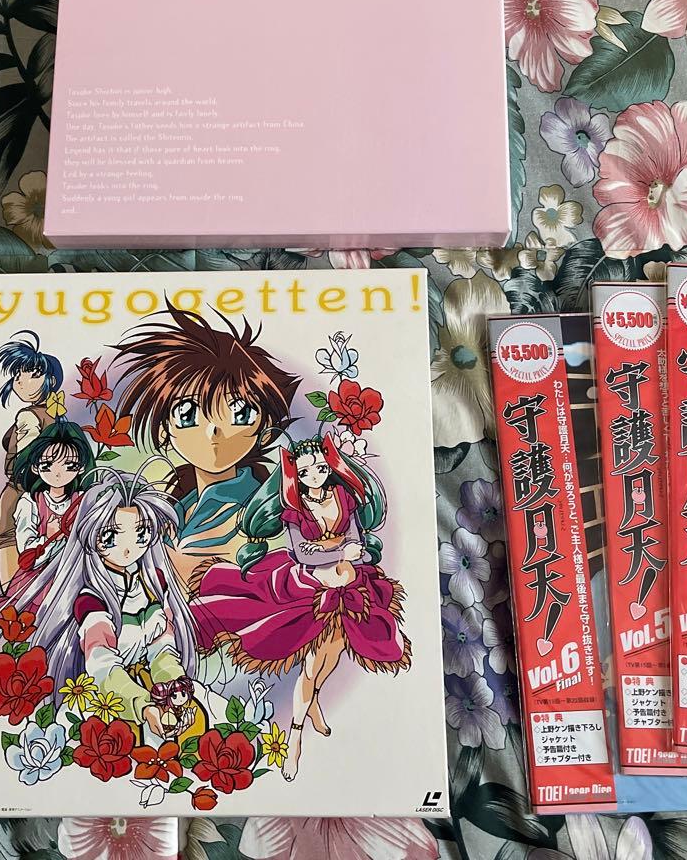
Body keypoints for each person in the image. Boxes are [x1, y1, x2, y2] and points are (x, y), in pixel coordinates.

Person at [191, 433, 410, 781]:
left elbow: (355, 539)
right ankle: (295, 736)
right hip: (311, 584)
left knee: (333, 653)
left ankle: (314, 705)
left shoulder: (343, 496)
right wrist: (338, 552)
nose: (314, 476)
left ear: (330, 466)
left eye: (320, 468)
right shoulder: (295, 511)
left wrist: (348, 553)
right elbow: (301, 553)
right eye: (305, 472)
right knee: (311, 664)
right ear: (296, 475)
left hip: (350, 580)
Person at [112, 306, 299, 589]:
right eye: (187, 413)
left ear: (265, 428)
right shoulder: (173, 505)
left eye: (239, 414)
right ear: (164, 429)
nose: (213, 429)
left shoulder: (264, 509)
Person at [29, 467, 205, 743]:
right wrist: (142, 707)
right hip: (109, 695)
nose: (128, 549)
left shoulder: (153, 585)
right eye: (111, 537)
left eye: (141, 534)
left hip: (149, 685)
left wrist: (174, 689)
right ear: (91, 537)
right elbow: (103, 668)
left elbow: (162, 648)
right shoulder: (91, 600)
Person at [0, 419, 95, 615]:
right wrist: (49, 538)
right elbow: (27, 553)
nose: (58, 472)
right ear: (35, 467)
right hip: (38, 581)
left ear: (81, 467)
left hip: (74, 575)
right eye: (48, 465)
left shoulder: (82, 500)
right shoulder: (30, 503)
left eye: (69, 465)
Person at [0, 331, 64, 589]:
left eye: (33, 374)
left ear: (50, 380)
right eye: (17, 375)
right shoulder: (56, 414)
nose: (21, 381)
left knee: (8, 539)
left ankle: (10, 596)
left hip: (21, 489)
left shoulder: (28, 416)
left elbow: (24, 459)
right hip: (49, 488)